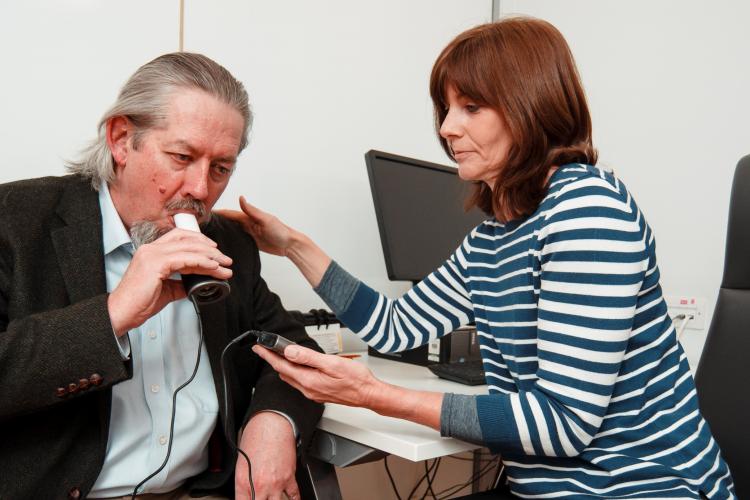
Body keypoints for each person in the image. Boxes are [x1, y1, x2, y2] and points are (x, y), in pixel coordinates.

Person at [220, 17, 736, 499]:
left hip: (645, 488)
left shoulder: (586, 210)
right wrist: (292, 246)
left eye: (470, 108)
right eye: (445, 110)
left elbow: (561, 423)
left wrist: (377, 395)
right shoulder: (494, 238)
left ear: (530, 106)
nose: (446, 128)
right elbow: (394, 327)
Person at [0, 53, 322, 499]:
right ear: (120, 139)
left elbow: (296, 351)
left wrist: (274, 423)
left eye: (221, 168)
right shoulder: (14, 221)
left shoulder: (228, 242)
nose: (200, 189)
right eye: (181, 156)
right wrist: (111, 316)